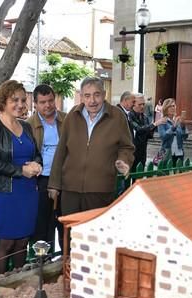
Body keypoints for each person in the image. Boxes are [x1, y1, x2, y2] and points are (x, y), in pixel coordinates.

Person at [0, 80, 42, 274]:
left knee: (23, 241)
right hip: (6, 192)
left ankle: (19, 283)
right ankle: (1, 283)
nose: (21, 104)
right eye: (14, 99)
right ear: (3, 101)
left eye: (23, 100)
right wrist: (20, 170)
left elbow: (36, 153)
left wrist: (37, 164)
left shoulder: (27, 126)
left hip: (28, 191)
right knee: (7, 241)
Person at [48, 76, 134, 216]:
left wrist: (123, 160)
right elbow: (61, 150)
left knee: (94, 234)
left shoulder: (117, 116)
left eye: (97, 95)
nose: (92, 101)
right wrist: (54, 184)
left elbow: (127, 147)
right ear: (81, 97)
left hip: (101, 189)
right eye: (87, 96)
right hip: (71, 190)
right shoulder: (73, 115)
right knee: (71, 233)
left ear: (104, 94)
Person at [27, 84, 65, 252]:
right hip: (41, 179)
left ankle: (67, 259)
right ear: (35, 103)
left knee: (64, 221)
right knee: (42, 223)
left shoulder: (67, 119)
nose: (48, 105)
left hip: (65, 177)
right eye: (43, 102)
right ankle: (42, 260)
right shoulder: (28, 125)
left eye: (50, 100)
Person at [130, 94, 166, 168]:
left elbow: (148, 134)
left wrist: (154, 128)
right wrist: (154, 124)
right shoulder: (129, 115)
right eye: (139, 104)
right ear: (133, 104)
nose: (142, 106)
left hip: (143, 151)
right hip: (131, 151)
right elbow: (139, 129)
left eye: (143, 104)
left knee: (139, 175)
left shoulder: (145, 117)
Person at [153, 98, 188, 166]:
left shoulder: (177, 120)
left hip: (179, 152)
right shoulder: (162, 121)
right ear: (166, 108)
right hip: (167, 152)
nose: (173, 108)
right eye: (170, 106)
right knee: (166, 172)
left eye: (174, 106)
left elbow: (184, 137)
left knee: (178, 174)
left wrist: (183, 126)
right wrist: (173, 127)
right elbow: (163, 137)